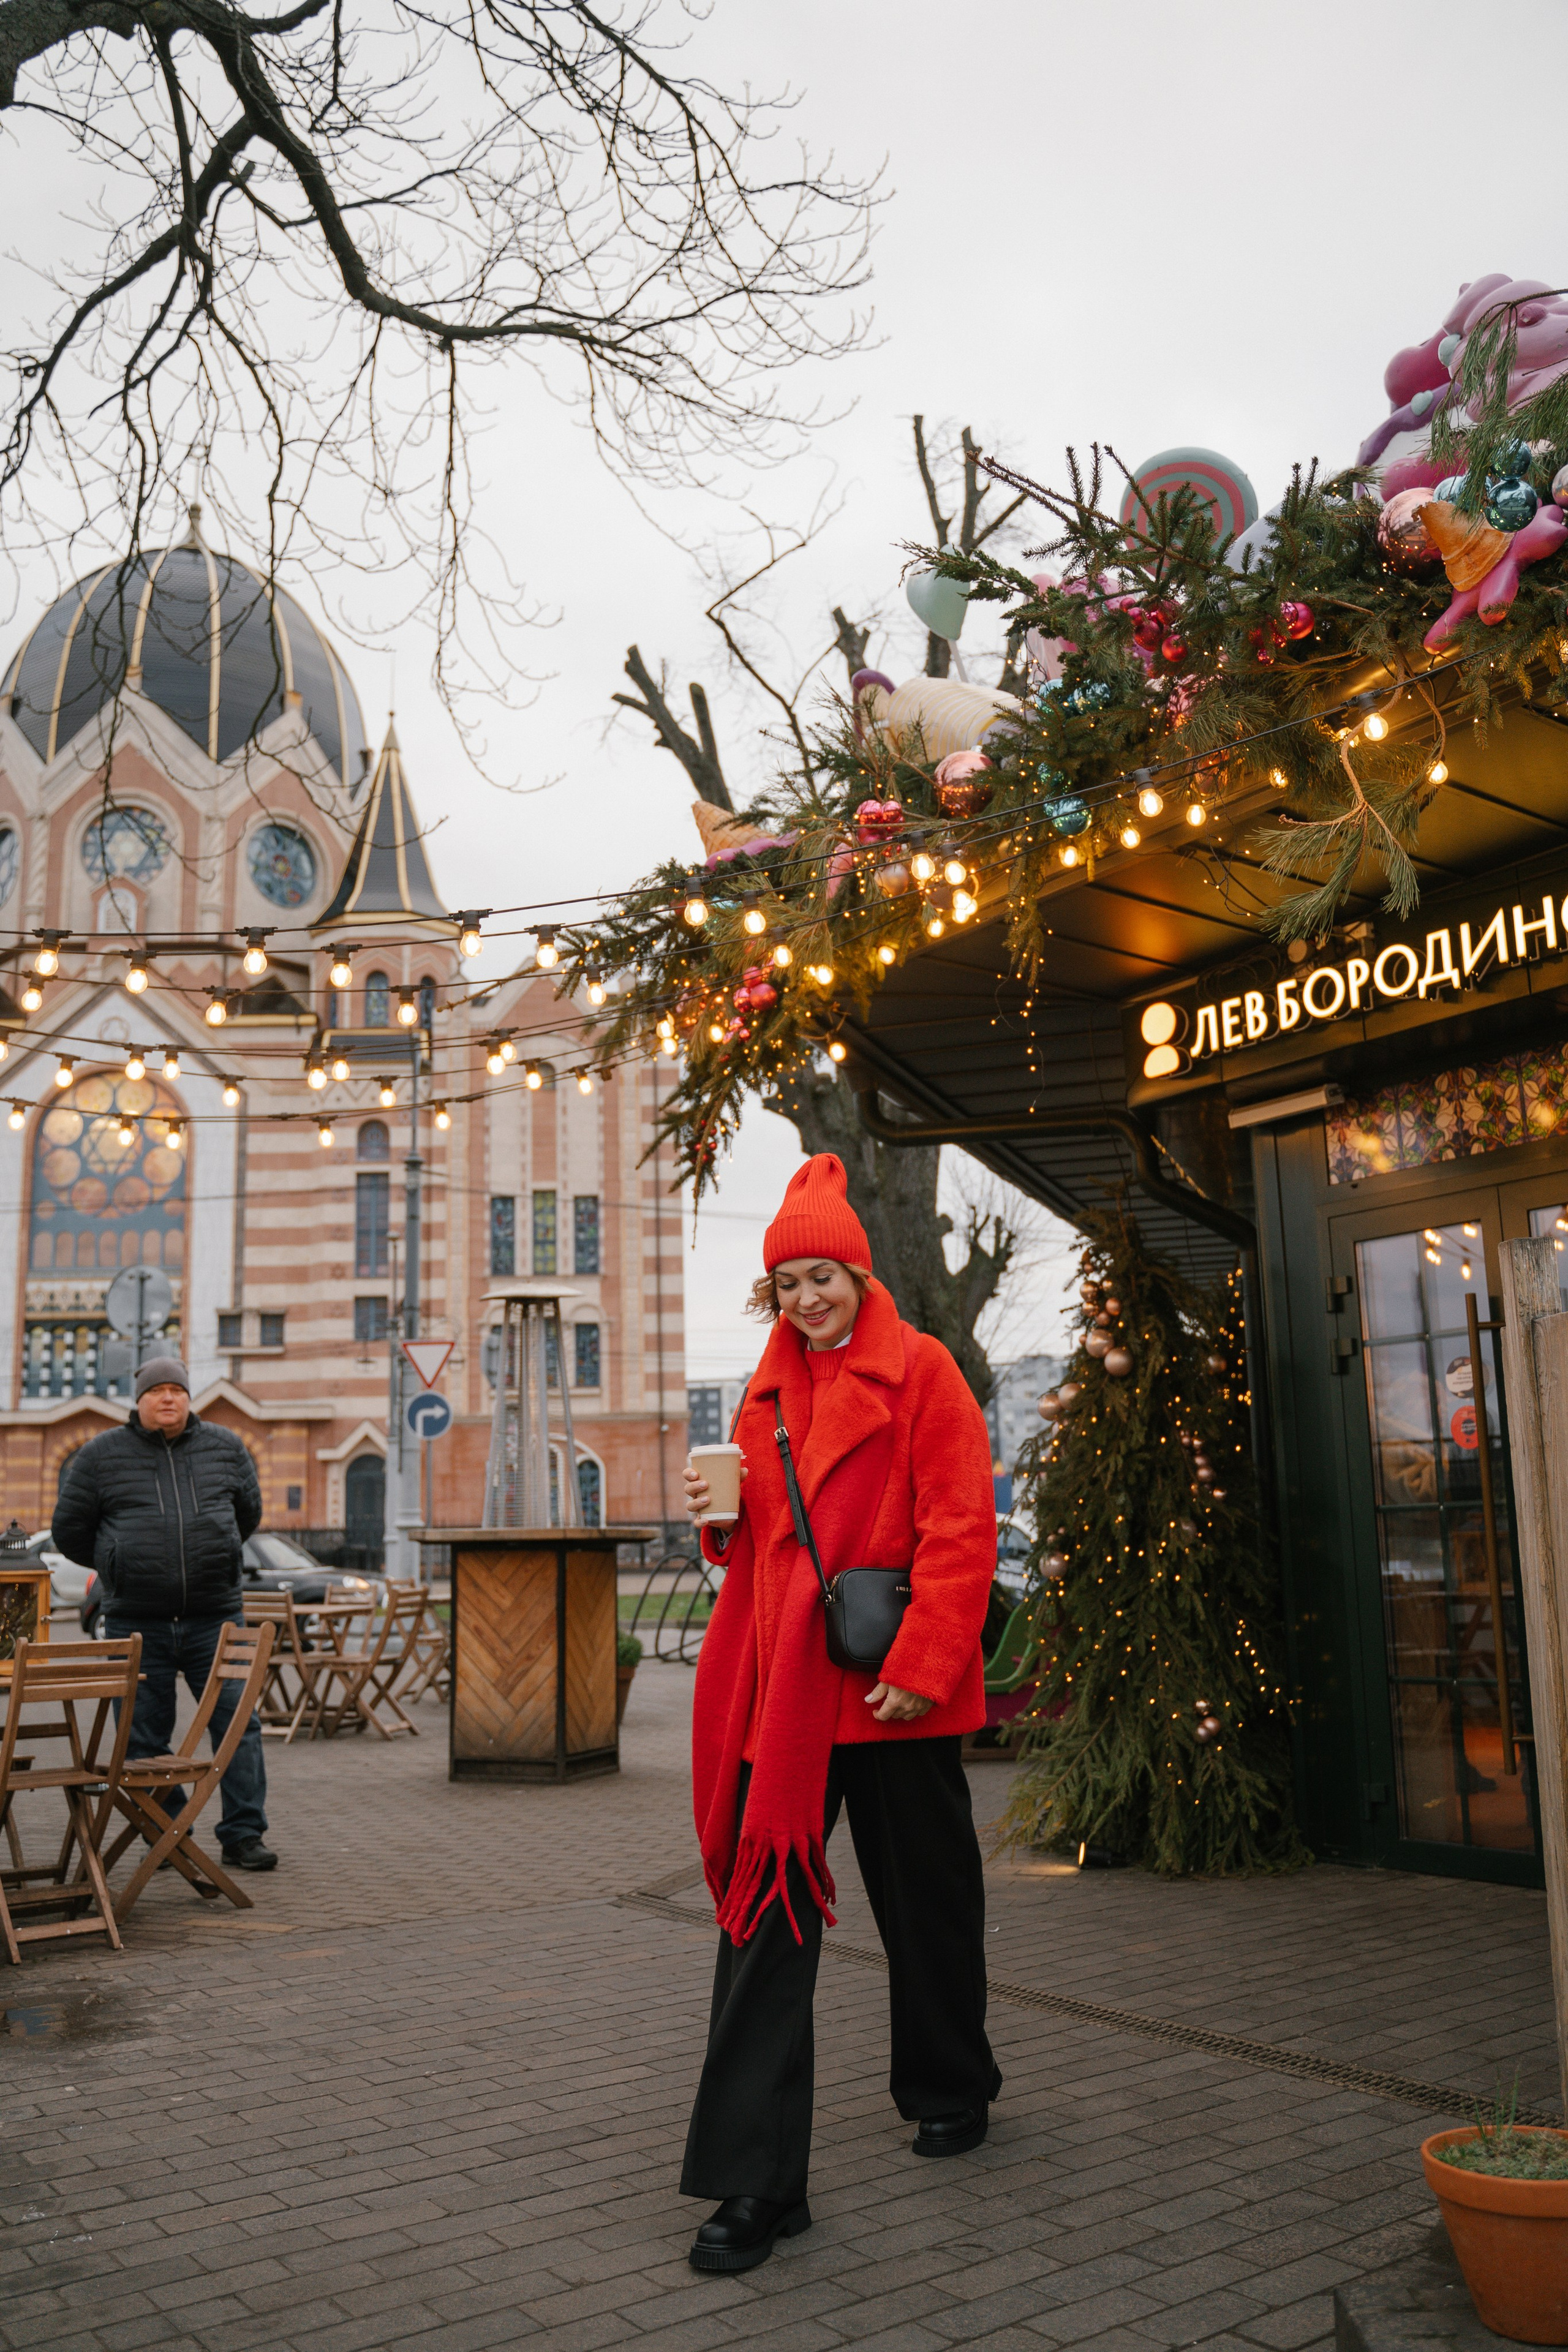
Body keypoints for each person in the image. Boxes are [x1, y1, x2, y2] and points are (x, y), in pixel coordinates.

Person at [680, 1153, 1000, 2276]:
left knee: (928, 1906)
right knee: (764, 1922)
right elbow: (764, 1544)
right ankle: (757, 2183)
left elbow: (964, 1528)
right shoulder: (763, 1392)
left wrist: (923, 1658)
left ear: (860, 1274)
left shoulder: (924, 1373)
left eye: (824, 1276)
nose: (807, 1299)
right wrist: (717, 1529)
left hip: (892, 1689)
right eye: (788, 1283)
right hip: (795, 1703)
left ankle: (952, 2083)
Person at [52, 1355, 276, 1871]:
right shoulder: (100, 1456)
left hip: (217, 1618)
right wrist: (118, 1562)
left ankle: (244, 1835)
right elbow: (69, 1530)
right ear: (140, 1399)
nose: (168, 1398)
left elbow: (247, 1515)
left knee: (239, 1724)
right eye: (157, 1391)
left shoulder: (226, 1447)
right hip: (137, 1621)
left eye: (176, 1389)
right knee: (142, 1734)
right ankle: (169, 1828)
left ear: (189, 1396)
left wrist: (214, 1555)